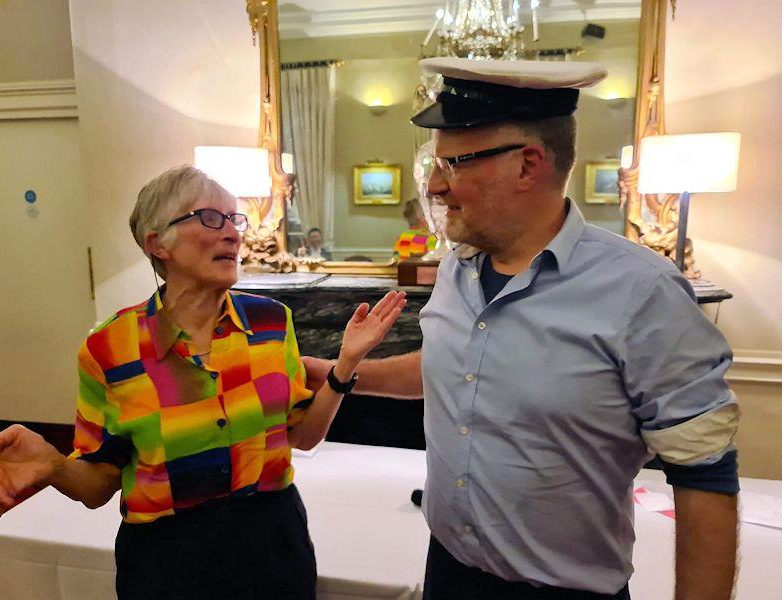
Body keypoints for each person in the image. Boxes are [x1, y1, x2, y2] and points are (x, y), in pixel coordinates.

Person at [304, 58, 739, 600]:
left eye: (453, 164)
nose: (436, 187)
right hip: (449, 572)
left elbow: (705, 473)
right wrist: (339, 372)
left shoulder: (642, 292)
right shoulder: (459, 268)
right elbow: (457, 365)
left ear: (529, 164)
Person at [0, 165, 406, 599]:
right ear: (157, 243)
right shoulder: (110, 348)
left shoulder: (270, 322)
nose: (233, 233)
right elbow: (98, 485)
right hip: (167, 564)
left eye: (234, 219)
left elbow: (303, 437)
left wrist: (345, 367)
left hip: (273, 547)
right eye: (209, 218)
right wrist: (54, 466)